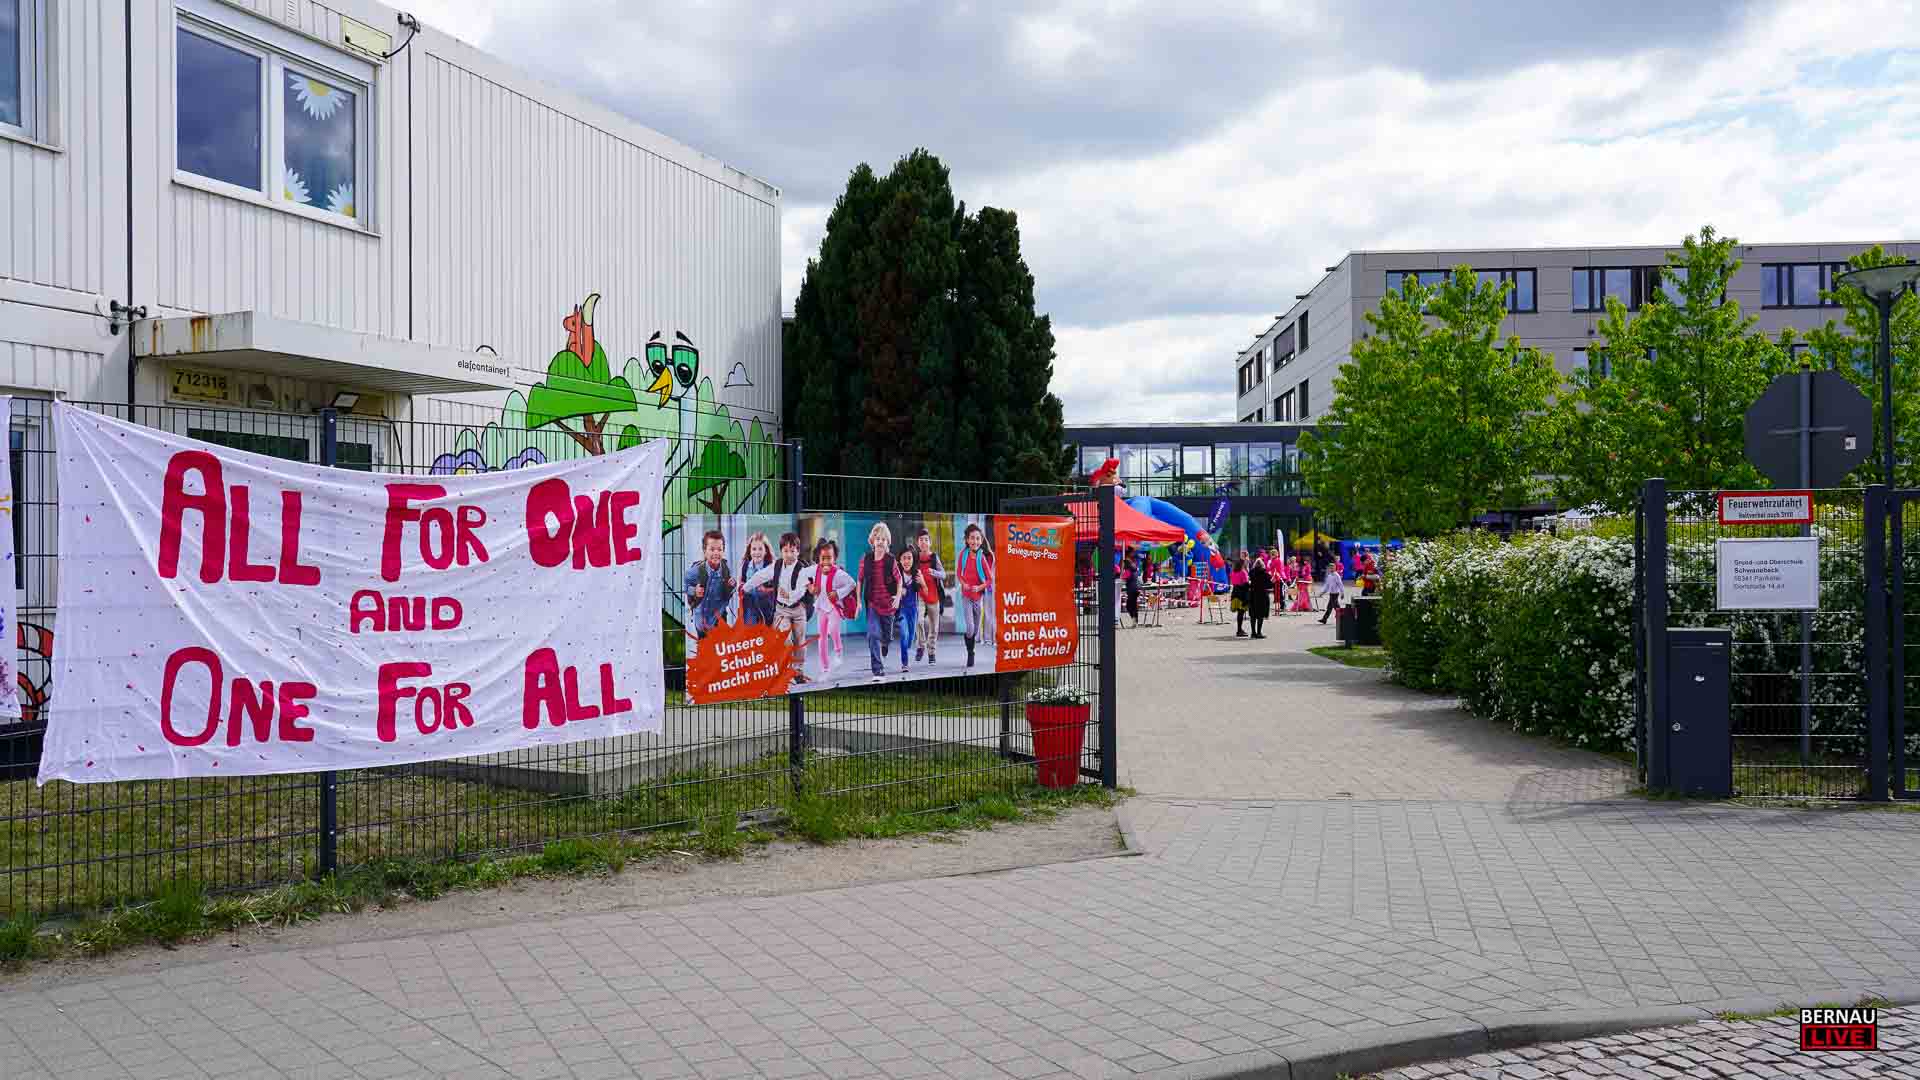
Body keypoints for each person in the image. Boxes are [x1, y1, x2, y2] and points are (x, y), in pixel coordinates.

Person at [742, 532, 813, 684]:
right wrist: (746, 587)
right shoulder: (777, 566)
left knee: (800, 641)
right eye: (786, 551)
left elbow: (801, 591)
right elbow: (760, 576)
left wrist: (790, 596)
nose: (789, 555)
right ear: (781, 551)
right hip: (781, 610)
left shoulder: (802, 569)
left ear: (798, 552)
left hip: (798, 609)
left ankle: (798, 672)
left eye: (792, 551)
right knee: (784, 638)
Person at [857, 522, 903, 679]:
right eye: (877, 539)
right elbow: (860, 580)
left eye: (883, 539)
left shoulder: (891, 560)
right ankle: (877, 668)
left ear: (887, 542)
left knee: (887, 637)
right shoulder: (866, 559)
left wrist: (897, 597)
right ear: (872, 541)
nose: (880, 542)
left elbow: (899, 580)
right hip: (873, 604)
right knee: (873, 634)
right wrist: (858, 602)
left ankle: (885, 643)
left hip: (888, 606)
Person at [808, 538, 856, 672]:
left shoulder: (838, 573)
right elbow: (803, 575)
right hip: (821, 607)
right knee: (822, 636)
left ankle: (838, 651)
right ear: (818, 558)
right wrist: (809, 586)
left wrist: (838, 593)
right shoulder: (814, 570)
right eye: (823, 558)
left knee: (833, 629)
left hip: (834, 607)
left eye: (829, 558)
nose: (826, 562)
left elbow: (852, 584)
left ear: (834, 558)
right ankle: (825, 667)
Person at [956, 523, 996, 668]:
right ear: (967, 540)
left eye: (978, 538)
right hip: (966, 596)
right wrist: (963, 584)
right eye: (972, 538)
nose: (975, 541)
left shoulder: (982, 558)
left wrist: (979, 587)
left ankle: (970, 643)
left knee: (975, 628)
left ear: (981, 540)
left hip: (978, 598)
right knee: (970, 627)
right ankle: (970, 652)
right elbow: (959, 573)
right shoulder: (963, 555)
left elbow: (990, 579)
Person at [683, 529, 734, 640]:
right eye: (712, 549)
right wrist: (694, 591)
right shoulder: (696, 571)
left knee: (721, 647)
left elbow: (727, 594)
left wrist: (731, 586)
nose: (716, 553)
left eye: (719, 549)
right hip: (701, 621)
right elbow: (685, 586)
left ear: (723, 551)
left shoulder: (726, 570)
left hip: (719, 618)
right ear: (704, 551)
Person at [913, 528, 949, 664]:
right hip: (920, 594)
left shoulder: (934, 557)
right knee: (919, 621)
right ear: (918, 542)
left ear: (930, 543)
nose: (923, 542)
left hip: (934, 596)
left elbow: (944, 574)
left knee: (934, 628)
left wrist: (934, 572)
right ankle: (921, 646)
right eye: (921, 540)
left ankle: (931, 652)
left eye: (926, 540)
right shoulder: (915, 558)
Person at [737, 531, 776, 626]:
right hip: (749, 608)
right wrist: (740, 587)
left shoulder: (771, 568)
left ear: (766, 551)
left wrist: (766, 590)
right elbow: (740, 583)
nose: (757, 552)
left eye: (760, 549)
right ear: (750, 551)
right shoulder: (745, 566)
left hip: (766, 608)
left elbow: (778, 588)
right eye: (754, 549)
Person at [896, 548, 923, 673]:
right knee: (904, 634)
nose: (906, 561)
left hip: (913, 610)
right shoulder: (897, 574)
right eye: (904, 558)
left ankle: (905, 648)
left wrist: (922, 582)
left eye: (909, 558)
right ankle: (904, 663)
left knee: (910, 638)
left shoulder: (917, 574)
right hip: (902, 610)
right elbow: (890, 588)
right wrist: (898, 591)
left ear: (913, 560)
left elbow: (924, 590)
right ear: (900, 560)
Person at [1247, 550, 1273, 639]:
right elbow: (1270, 585)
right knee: (1260, 615)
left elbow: (1249, 583)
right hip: (1262, 595)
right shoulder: (1266, 574)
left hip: (1253, 595)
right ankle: (1259, 632)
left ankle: (1253, 632)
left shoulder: (1251, 573)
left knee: (1253, 615)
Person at [1318, 555, 1346, 625]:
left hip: (1335, 593)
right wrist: (1322, 592)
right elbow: (1327, 586)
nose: (1331, 569)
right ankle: (1340, 618)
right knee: (1333, 607)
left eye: (1332, 567)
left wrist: (1342, 593)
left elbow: (1340, 584)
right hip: (1331, 593)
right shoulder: (1329, 576)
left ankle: (1340, 619)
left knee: (1332, 607)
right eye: (1330, 567)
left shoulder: (1336, 575)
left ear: (1335, 568)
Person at [1230, 552, 1251, 637]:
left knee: (1239, 612)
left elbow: (1232, 582)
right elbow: (1246, 584)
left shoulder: (1233, 572)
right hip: (1242, 594)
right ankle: (1239, 630)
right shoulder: (1243, 572)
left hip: (1235, 592)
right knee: (1241, 612)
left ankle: (1239, 629)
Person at [1123, 545, 1141, 628]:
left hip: (1132, 587)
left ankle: (1135, 622)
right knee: (1132, 605)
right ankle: (1135, 621)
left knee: (1130, 606)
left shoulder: (1128, 562)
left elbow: (1127, 574)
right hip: (1133, 586)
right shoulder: (1132, 562)